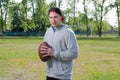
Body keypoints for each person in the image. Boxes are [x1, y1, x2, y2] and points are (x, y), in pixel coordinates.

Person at [40, 7, 79, 80]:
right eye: (50, 17)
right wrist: (43, 52)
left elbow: (74, 53)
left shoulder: (68, 32)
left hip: (63, 76)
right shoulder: (48, 31)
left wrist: (54, 53)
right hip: (49, 74)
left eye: (55, 17)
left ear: (61, 17)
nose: (53, 20)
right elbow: (44, 47)